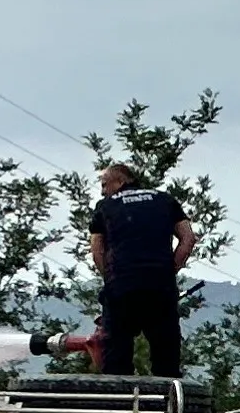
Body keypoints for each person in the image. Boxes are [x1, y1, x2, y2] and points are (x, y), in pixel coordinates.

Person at [85, 162, 198, 379]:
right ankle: (171, 406)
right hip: (160, 288)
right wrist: (171, 269)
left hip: (122, 289)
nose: (102, 190)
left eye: (104, 184)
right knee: (166, 360)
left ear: (120, 182)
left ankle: (118, 407)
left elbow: (96, 249)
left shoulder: (105, 206)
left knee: (116, 364)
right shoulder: (164, 200)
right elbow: (188, 238)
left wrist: (109, 278)